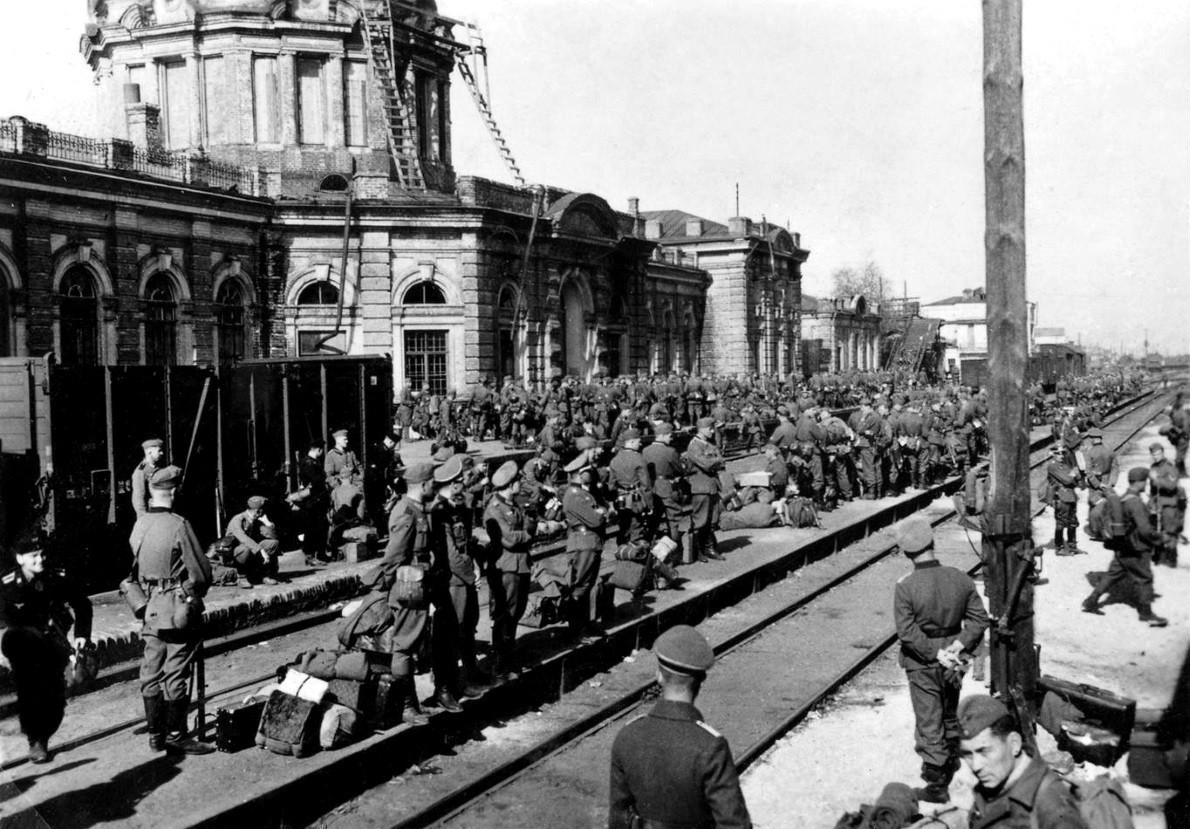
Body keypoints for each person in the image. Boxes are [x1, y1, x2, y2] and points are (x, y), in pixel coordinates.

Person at [608, 624, 751, 829]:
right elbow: (735, 825)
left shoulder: (628, 735)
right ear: (700, 681)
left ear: (659, 676)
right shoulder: (711, 746)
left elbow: (618, 818)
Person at [892, 517, 990, 803]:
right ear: (933, 543)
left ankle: (936, 786)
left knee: (928, 720)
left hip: (922, 662)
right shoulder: (960, 577)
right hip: (956, 659)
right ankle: (951, 760)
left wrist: (935, 653)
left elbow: (907, 633)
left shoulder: (906, 586)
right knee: (948, 709)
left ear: (907, 553)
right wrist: (957, 646)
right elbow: (979, 619)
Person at [131, 464, 214, 754]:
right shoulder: (179, 524)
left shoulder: (140, 524)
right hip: (176, 609)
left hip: (149, 608)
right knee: (176, 670)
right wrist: (190, 592)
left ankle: (156, 735)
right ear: (174, 492)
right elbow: (202, 574)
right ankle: (176, 734)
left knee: (151, 670)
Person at [0, 529, 92, 764]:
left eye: (42, 554)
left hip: (52, 643)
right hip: (23, 645)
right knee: (29, 690)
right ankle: (36, 740)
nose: (40, 559)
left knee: (56, 696)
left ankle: (44, 734)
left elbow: (82, 604)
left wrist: (82, 635)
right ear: (20, 558)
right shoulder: (7, 584)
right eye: (34, 556)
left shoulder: (57, 577)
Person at [372, 461, 454, 721]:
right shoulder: (407, 512)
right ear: (424, 484)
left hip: (417, 583)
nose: (435, 488)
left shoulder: (417, 509)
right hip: (408, 585)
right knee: (404, 646)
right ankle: (405, 707)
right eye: (433, 484)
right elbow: (393, 557)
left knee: (412, 643)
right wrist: (387, 587)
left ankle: (413, 704)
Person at [957, 695, 1087, 829]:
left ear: (1014, 744)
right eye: (968, 754)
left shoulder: (1051, 806)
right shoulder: (989, 782)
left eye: (984, 751)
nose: (975, 766)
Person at [429, 456, 489, 700]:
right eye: (462, 481)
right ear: (453, 483)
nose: (465, 485)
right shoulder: (440, 512)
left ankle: (464, 676)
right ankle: (450, 685)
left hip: (463, 578)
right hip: (453, 581)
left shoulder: (453, 508)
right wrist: (471, 575)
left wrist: (474, 566)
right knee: (452, 633)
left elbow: (464, 546)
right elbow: (452, 556)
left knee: (467, 626)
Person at [1082, 467, 1169, 626]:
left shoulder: (1122, 498)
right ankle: (1146, 614)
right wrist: (1160, 538)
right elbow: (1145, 530)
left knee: (1113, 574)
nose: (1145, 484)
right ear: (1140, 482)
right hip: (1136, 548)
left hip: (1121, 545)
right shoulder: (1135, 502)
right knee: (1145, 578)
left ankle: (1090, 601)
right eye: (1145, 482)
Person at [484, 460, 536, 679]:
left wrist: (530, 524)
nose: (520, 484)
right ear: (510, 484)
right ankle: (500, 662)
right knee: (504, 614)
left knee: (516, 612)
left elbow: (525, 529)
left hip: (520, 565)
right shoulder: (494, 509)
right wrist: (528, 535)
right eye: (517, 481)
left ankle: (508, 655)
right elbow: (510, 540)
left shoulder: (514, 505)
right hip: (506, 567)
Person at [562, 450, 609, 642]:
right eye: (588, 470)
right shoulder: (575, 495)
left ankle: (585, 624)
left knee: (588, 584)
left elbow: (601, 511)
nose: (592, 472)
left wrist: (601, 512)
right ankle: (577, 630)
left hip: (590, 542)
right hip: (583, 543)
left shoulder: (583, 493)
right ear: (580, 474)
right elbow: (596, 519)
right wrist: (601, 513)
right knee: (580, 587)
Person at [685, 417, 725, 562]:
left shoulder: (709, 444)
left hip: (712, 485)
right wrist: (716, 461)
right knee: (700, 520)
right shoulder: (694, 446)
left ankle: (709, 548)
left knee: (711, 519)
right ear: (701, 429)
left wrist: (715, 461)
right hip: (700, 487)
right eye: (710, 429)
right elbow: (706, 464)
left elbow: (722, 462)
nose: (713, 431)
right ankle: (698, 551)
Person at [289, 439, 330, 567]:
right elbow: (317, 481)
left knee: (320, 526)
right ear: (318, 450)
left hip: (318, 500)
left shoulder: (311, 462)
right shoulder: (308, 463)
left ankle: (320, 554)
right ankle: (310, 555)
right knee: (312, 528)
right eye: (321, 450)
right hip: (313, 501)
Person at [226, 495, 281, 586]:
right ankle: (241, 577)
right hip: (234, 555)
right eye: (262, 509)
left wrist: (268, 524)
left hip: (251, 552)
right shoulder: (238, 519)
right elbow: (244, 538)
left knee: (272, 543)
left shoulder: (256, 520)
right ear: (259, 511)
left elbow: (273, 538)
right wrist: (261, 550)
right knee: (245, 548)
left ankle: (263, 575)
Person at [1148, 443, 1186, 568]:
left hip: (1169, 504)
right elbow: (1152, 489)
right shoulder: (1153, 467)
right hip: (1157, 504)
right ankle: (1159, 557)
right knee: (1157, 530)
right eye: (1153, 454)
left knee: (1170, 531)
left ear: (1163, 453)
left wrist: (1157, 479)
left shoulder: (1170, 467)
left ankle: (1171, 558)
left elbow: (1172, 486)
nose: (1156, 457)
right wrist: (1151, 502)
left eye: (1158, 454)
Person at [130, 437, 164, 519]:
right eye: (159, 451)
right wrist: (143, 519)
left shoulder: (158, 467)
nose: (162, 453)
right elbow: (138, 499)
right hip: (151, 514)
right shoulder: (141, 471)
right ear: (149, 452)